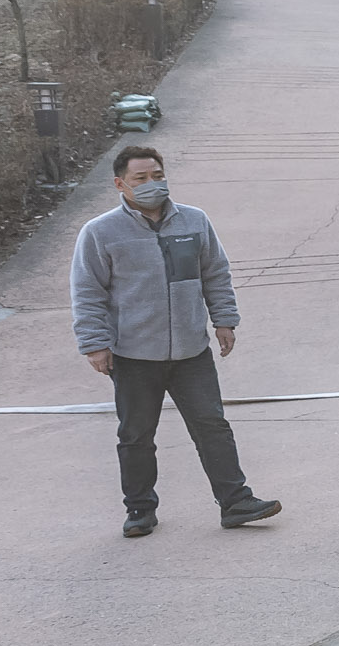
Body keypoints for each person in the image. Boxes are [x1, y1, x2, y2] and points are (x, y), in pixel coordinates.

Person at [71, 145, 282, 538]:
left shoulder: (194, 221)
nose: (153, 184)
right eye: (141, 179)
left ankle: (235, 501)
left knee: (213, 426)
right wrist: (94, 343)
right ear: (120, 183)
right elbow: (87, 291)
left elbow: (215, 273)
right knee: (136, 436)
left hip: (191, 351)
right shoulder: (101, 232)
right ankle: (139, 510)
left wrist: (225, 320)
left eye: (157, 175)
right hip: (132, 355)